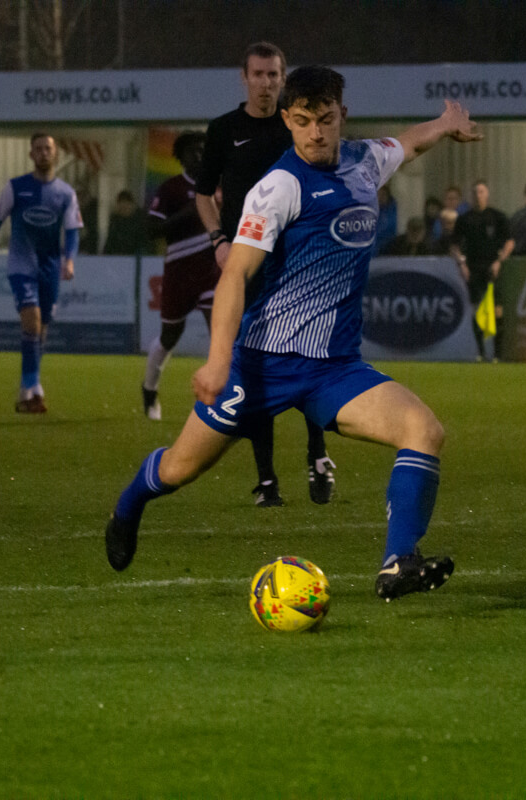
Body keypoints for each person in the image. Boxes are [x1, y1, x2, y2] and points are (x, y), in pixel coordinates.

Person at [104, 66, 483, 603]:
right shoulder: (278, 187)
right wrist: (216, 362)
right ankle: (129, 504)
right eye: (302, 121)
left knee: (424, 431)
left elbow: (407, 145)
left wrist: (443, 123)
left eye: (325, 120)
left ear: (341, 116)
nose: (315, 133)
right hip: (260, 366)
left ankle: (398, 563)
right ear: (286, 120)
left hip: (334, 370)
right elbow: (235, 273)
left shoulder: (363, 161)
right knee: (179, 469)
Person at [193, 41, 336, 508]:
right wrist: (219, 240)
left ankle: (318, 453)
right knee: (253, 367)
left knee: (309, 357)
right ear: (244, 77)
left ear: (283, 76)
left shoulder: (297, 124)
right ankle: (267, 479)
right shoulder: (223, 129)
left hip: (295, 265)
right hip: (248, 262)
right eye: (259, 74)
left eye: (274, 74)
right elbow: (202, 194)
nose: (267, 83)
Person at [0, 132, 83, 414]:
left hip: (49, 267)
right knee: (32, 321)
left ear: (55, 154)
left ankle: (26, 391)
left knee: (41, 329)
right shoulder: (15, 188)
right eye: (39, 149)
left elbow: (72, 232)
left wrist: (68, 260)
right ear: (31, 154)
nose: (44, 153)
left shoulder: (66, 194)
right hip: (21, 264)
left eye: (48, 148)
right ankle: (35, 388)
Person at [140, 132, 222, 422]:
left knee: (220, 335)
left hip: (211, 273)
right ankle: (149, 391)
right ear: (181, 157)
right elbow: (152, 230)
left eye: (204, 150)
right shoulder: (171, 188)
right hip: (178, 274)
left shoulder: (219, 187)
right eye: (193, 151)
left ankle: (218, 401)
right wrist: (191, 212)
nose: (199, 155)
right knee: (169, 337)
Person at [450, 180, 512, 361]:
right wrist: (462, 263)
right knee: (477, 309)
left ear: (487, 194)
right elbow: (454, 245)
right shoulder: (465, 219)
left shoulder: (497, 217)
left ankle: (498, 354)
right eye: (476, 192)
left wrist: (499, 261)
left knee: (497, 309)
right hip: (474, 268)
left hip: (493, 267)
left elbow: (510, 241)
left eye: (482, 192)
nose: (479, 195)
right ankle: (481, 353)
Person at [102, 190, 151, 255]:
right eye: (121, 207)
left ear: (132, 205)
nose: (124, 209)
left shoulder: (141, 220)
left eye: (126, 206)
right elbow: (110, 242)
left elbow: (144, 243)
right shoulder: (115, 221)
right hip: (118, 258)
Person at [374, 185, 399, 253]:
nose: (380, 197)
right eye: (378, 195)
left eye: (383, 195)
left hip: (388, 247)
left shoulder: (391, 211)